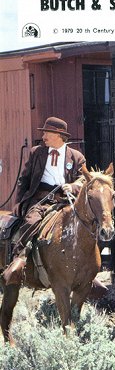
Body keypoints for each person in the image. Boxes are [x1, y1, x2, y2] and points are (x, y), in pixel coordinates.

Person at [2, 117, 86, 285]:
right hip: (40, 200)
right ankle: (19, 257)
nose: (44, 136)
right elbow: (24, 179)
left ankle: (86, 265)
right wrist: (19, 201)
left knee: (83, 225)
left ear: (59, 135)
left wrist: (74, 186)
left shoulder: (76, 157)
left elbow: (83, 179)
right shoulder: (37, 152)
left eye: (47, 133)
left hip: (64, 201)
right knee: (31, 221)